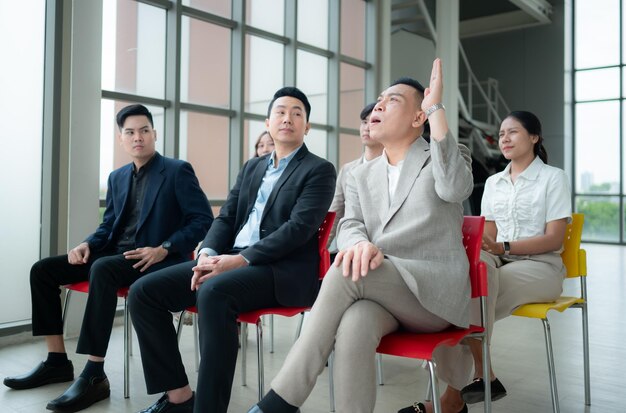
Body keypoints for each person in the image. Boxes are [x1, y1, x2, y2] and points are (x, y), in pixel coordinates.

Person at [248, 58, 474, 413]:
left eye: (393, 100)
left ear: (419, 118)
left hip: (433, 293)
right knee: (354, 325)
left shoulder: (445, 157)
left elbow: (455, 187)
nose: (379, 105)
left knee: (344, 269)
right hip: (381, 291)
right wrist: (360, 243)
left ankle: (281, 400)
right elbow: (348, 225)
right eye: (379, 99)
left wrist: (436, 109)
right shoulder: (359, 175)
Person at [129, 86, 336, 413]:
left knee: (214, 293)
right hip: (228, 262)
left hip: (278, 271)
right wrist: (207, 252)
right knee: (143, 293)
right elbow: (226, 217)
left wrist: (239, 260)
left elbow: (298, 230)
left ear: (307, 126)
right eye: (280, 112)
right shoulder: (253, 167)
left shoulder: (319, 170)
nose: (288, 118)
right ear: (268, 122)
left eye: (297, 113)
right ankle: (179, 397)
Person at [2, 104, 214, 412]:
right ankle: (56, 361)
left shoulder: (177, 171)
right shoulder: (117, 177)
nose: (137, 137)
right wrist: (86, 244)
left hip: (153, 259)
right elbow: (109, 225)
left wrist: (164, 247)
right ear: (121, 139)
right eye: (130, 132)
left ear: (154, 134)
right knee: (43, 270)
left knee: (102, 268)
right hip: (115, 254)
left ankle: (94, 373)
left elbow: (202, 220)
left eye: (144, 131)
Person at [399, 110, 572, 413]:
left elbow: (554, 239)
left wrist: (505, 245)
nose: (504, 138)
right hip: (499, 260)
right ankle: (482, 374)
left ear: (534, 137)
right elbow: (488, 237)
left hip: (541, 266)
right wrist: (487, 249)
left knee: (462, 301)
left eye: (513, 132)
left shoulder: (553, 178)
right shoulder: (493, 183)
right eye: (502, 134)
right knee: (462, 283)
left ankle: (453, 399)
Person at [327, 102, 383, 248]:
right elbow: (335, 212)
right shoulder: (348, 170)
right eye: (364, 122)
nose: (367, 127)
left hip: (383, 248)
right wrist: (319, 249)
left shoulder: (392, 166)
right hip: (352, 246)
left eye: (373, 122)